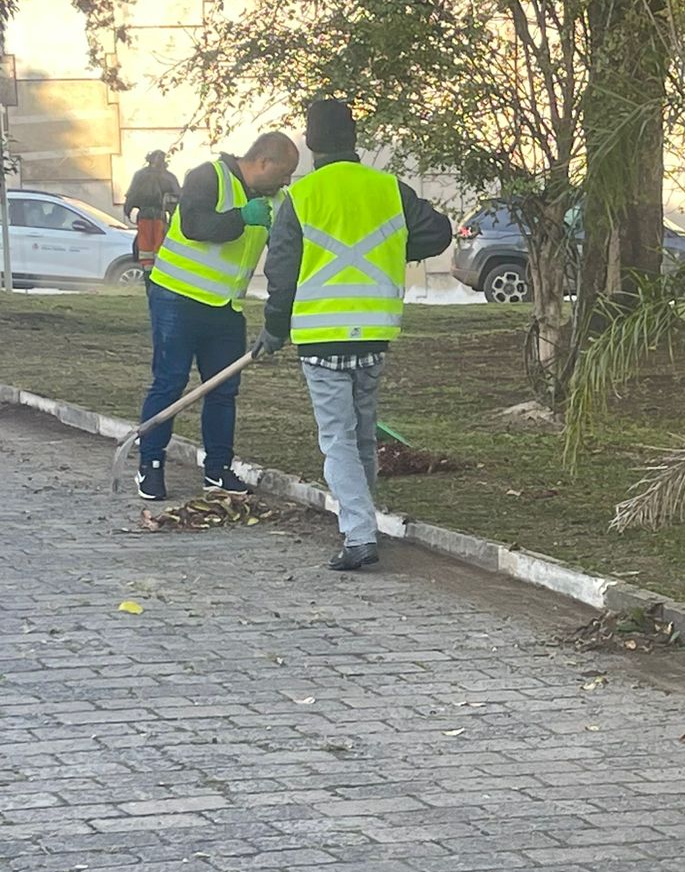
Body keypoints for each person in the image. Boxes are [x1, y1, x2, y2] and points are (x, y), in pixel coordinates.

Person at [253, 99, 453, 571]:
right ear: (353, 139)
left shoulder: (302, 197)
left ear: (312, 142)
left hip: (321, 338)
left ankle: (360, 534)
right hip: (374, 333)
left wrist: (274, 329)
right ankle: (361, 523)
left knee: (338, 439)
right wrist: (394, 247)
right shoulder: (389, 189)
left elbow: (282, 273)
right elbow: (438, 234)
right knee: (361, 436)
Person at [134, 133, 301, 501]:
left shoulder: (276, 199)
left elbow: (284, 254)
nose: (287, 181)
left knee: (223, 390)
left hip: (225, 307)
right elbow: (195, 226)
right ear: (263, 162)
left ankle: (218, 470)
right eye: (285, 172)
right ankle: (150, 464)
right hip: (177, 298)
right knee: (170, 381)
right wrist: (242, 217)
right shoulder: (208, 176)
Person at [123, 151, 183, 274]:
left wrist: (128, 210)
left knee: (153, 247)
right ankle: (150, 272)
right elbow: (177, 198)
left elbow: (176, 199)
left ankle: (152, 271)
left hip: (156, 216)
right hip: (152, 216)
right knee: (149, 247)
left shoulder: (143, 175)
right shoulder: (165, 176)